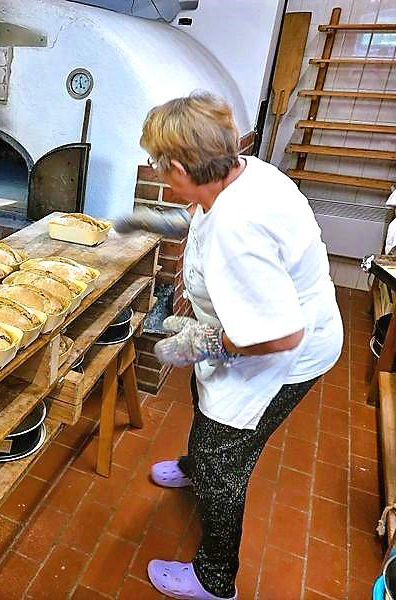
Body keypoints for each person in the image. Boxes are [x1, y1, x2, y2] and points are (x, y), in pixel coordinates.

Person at [114, 92, 343, 600]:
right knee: (206, 408)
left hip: (286, 353)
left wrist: (202, 342)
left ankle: (215, 578)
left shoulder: (239, 230)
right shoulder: (241, 171)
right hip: (262, 327)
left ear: (179, 166)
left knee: (225, 460)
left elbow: (279, 335)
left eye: (158, 165)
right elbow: (206, 220)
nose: (157, 171)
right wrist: (158, 223)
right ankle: (195, 466)